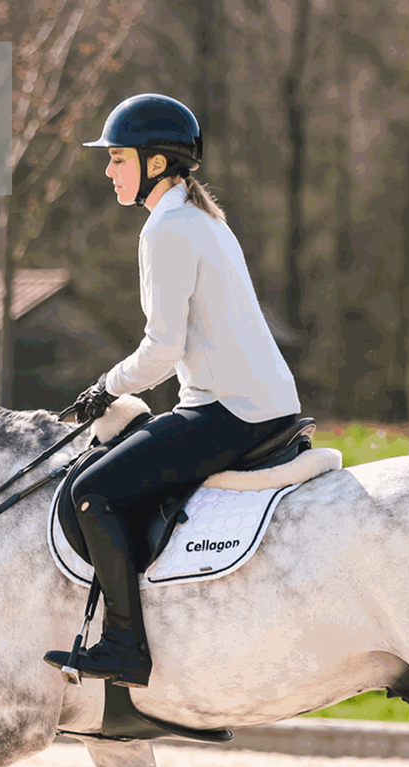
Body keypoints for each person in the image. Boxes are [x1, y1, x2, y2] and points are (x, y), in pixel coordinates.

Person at [43, 93, 301, 689]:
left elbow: (161, 349)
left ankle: (126, 647)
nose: (108, 170)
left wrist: (105, 387)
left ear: (156, 164)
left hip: (230, 412)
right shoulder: (200, 219)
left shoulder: (169, 229)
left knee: (90, 489)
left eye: (118, 159)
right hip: (254, 403)